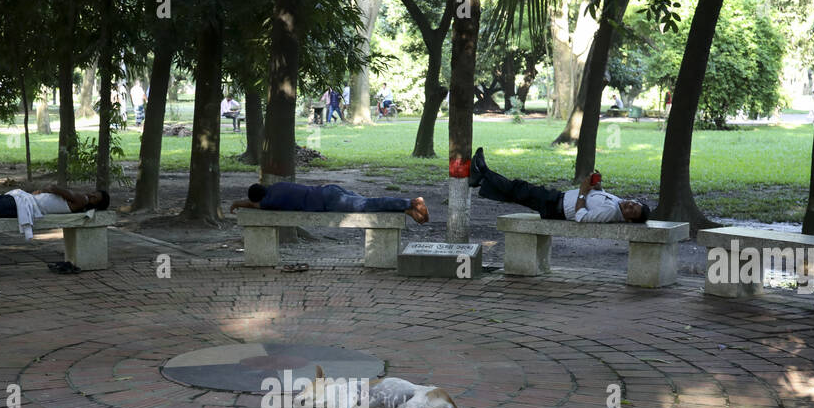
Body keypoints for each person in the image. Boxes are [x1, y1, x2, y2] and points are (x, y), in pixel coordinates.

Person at [468, 147, 650, 223]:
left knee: (518, 188)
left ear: (628, 219)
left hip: (555, 207)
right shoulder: (617, 203)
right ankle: (481, 179)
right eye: (634, 203)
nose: (631, 205)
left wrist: (582, 191)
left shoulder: (611, 212)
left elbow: (581, 217)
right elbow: (597, 196)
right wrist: (597, 184)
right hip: (557, 198)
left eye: (632, 211)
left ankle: (483, 171)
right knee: (515, 193)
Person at [230, 181, 429, 224]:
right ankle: (409, 211)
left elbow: (253, 205)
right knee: (367, 203)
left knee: (369, 205)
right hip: (329, 189)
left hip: (328, 201)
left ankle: (411, 202)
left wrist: (237, 203)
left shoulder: (270, 201)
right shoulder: (275, 187)